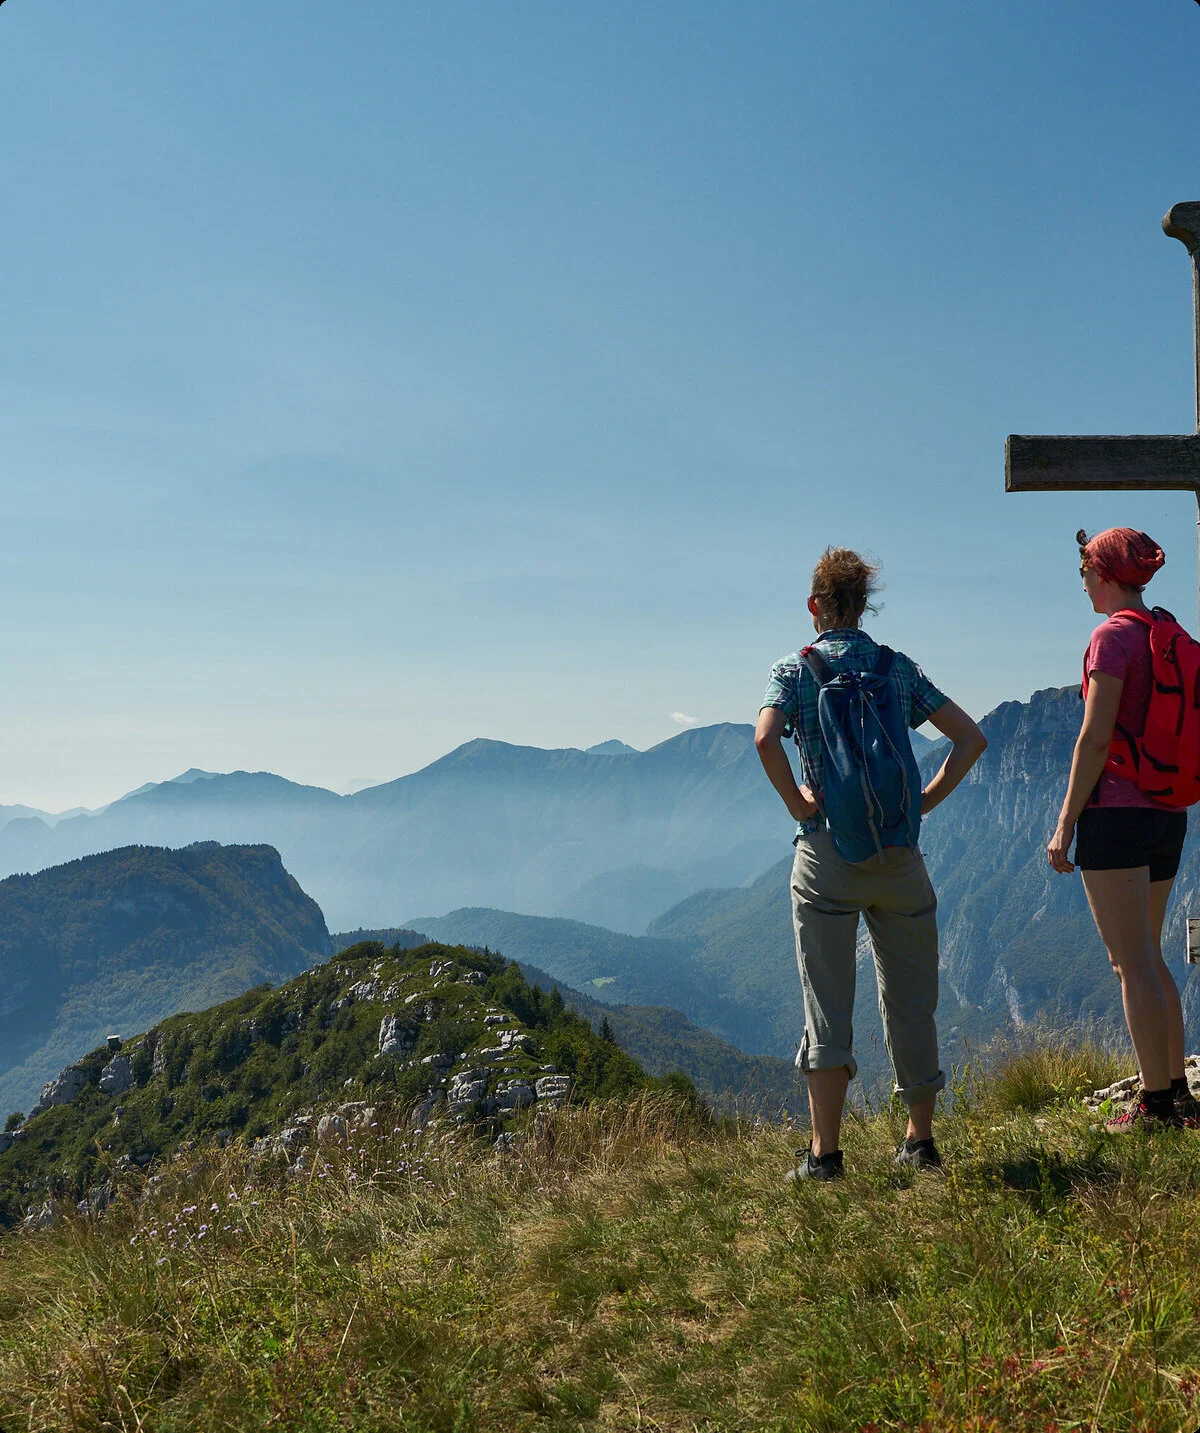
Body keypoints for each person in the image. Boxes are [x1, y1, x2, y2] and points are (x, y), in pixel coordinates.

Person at [755, 547, 987, 1181]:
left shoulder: (794, 670)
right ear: (864, 606)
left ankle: (825, 1155)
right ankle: (919, 1141)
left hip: (827, 853)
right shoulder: (897, 667)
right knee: (911, 1002)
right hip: (899, 854)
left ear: (814, 607)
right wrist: (922, 805)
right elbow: (971, 737)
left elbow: (764, 738)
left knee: (826, 1005)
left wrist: (798, 803)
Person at [1048, 527, 1195, 1130]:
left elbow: (1095, 735)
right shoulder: (1169, 634)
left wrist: (1064, 823)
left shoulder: (1110, 638)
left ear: (1105, 575)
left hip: (1115, 812)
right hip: (1169, 811)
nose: (1082, 584)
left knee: (1127, 961)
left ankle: (1155, 1105)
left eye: (1084, 573)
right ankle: (1179, 1093)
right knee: (1151, 956)